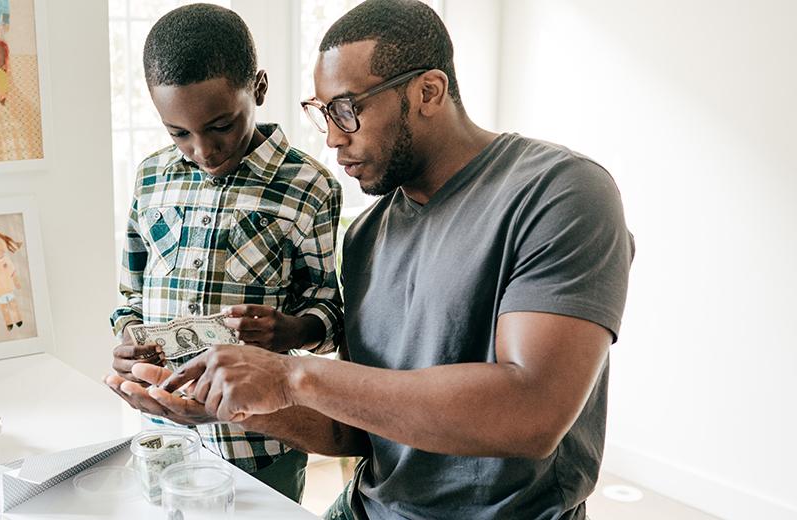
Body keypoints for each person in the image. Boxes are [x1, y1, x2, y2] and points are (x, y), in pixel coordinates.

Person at [108, 1, 635, 519]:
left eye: (346, 109)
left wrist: (292, 375)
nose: (334, 138)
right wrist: (228, 404)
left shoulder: (560, 192)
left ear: (428, 92)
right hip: (369, 507)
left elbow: (532, 413)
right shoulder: (365, 237)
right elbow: (355, 426)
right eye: (322, 113)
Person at [104, 3, 344, 504]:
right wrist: (128, 338)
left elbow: (330, 313)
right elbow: (131, 293)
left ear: (257, 88)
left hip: (260, 445)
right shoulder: (150, 178)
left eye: (220, 126)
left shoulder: (310, 187)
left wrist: (294, 329)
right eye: (179, 133)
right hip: (163, 433)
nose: (204, 150)